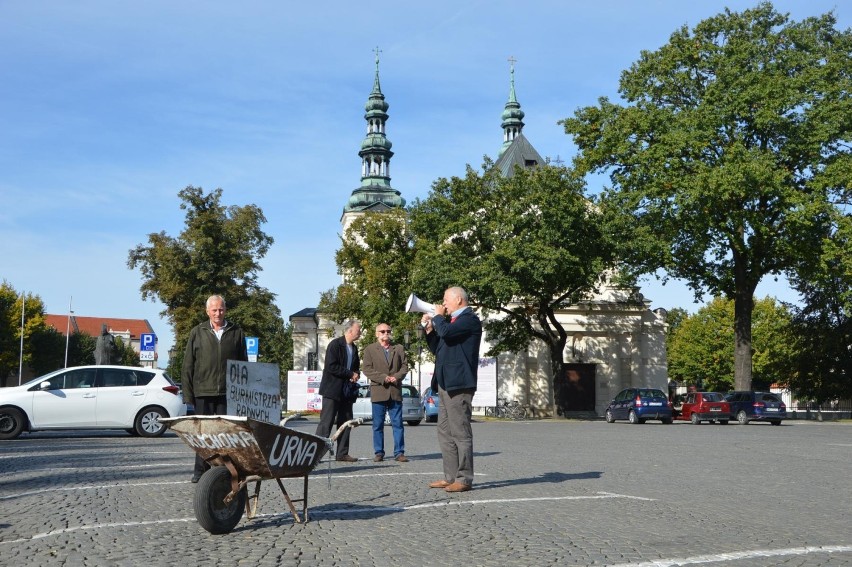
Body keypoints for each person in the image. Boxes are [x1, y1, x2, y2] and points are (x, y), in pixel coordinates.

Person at [182, 295, 248, 483]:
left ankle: (226, 471)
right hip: (203, 392)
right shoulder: (197, 332)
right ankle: (200, 471)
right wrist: (188, 395)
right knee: (202, 435)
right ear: (207, 311)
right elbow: (188, 365)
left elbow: (244, 364)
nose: (218, 313)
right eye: (214, 310)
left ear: (225, 310)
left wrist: (244, 393)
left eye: (221, 309)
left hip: (228, 393)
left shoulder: (236, 332)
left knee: (225, 435)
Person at [422, 286, 482, 492]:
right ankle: (450, 476)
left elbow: (446, 332)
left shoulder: (469, 319)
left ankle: (464, 478)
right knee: (445, 432)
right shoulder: (452, 323)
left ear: (458, 300)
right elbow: (438, 346)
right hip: (445, 383)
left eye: (446, 300)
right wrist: (429, 329)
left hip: (459, 384)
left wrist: (438, 318)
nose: (443, 304)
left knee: (460, 432)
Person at [362, 323, 410, 462]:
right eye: (382, 331)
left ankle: (399, 452)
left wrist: (397, 377)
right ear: (377, 334)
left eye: (388, 331)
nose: (386, 333)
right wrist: (384, 378)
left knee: (398, 424)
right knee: (377, 425)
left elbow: (405, 366)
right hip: (379, 391)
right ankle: (379, 452)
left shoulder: (399, 348)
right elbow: (367, 369)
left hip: (395, 391)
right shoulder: (370, 350)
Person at [315, 320, 362, 462]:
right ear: (350, 331)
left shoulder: (354, 348)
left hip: (346, 392)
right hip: (332, 390)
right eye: (358, 330)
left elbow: (355, 367)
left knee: (346, 422)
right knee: (326, 423)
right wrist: (350, 374)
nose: (360, 332)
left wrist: (356, 374)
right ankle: (316, 453)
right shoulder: (335, 345)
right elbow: (331, 366)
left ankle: (342, 453)